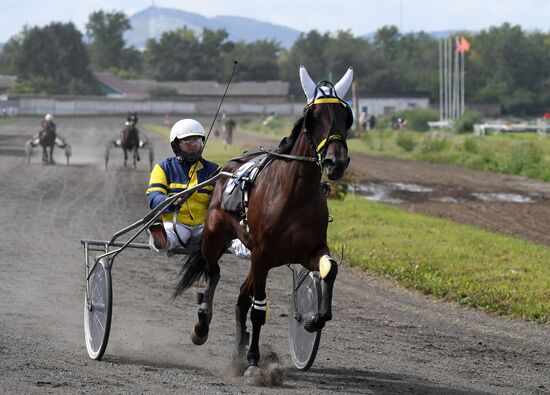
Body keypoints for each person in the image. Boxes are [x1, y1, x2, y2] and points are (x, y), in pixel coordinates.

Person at [146, 118, 250, 258]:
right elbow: (153, 196)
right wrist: (168, 200)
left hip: (205, 225)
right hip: (177, 223)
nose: (193, 145)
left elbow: (225, 198)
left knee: (230, 241)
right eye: (187, 142)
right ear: (176, 145)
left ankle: (255, 247)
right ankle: (159, 238)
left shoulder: (214, 170)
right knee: (171, 237)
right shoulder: (163, 168)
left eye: (196, 141)